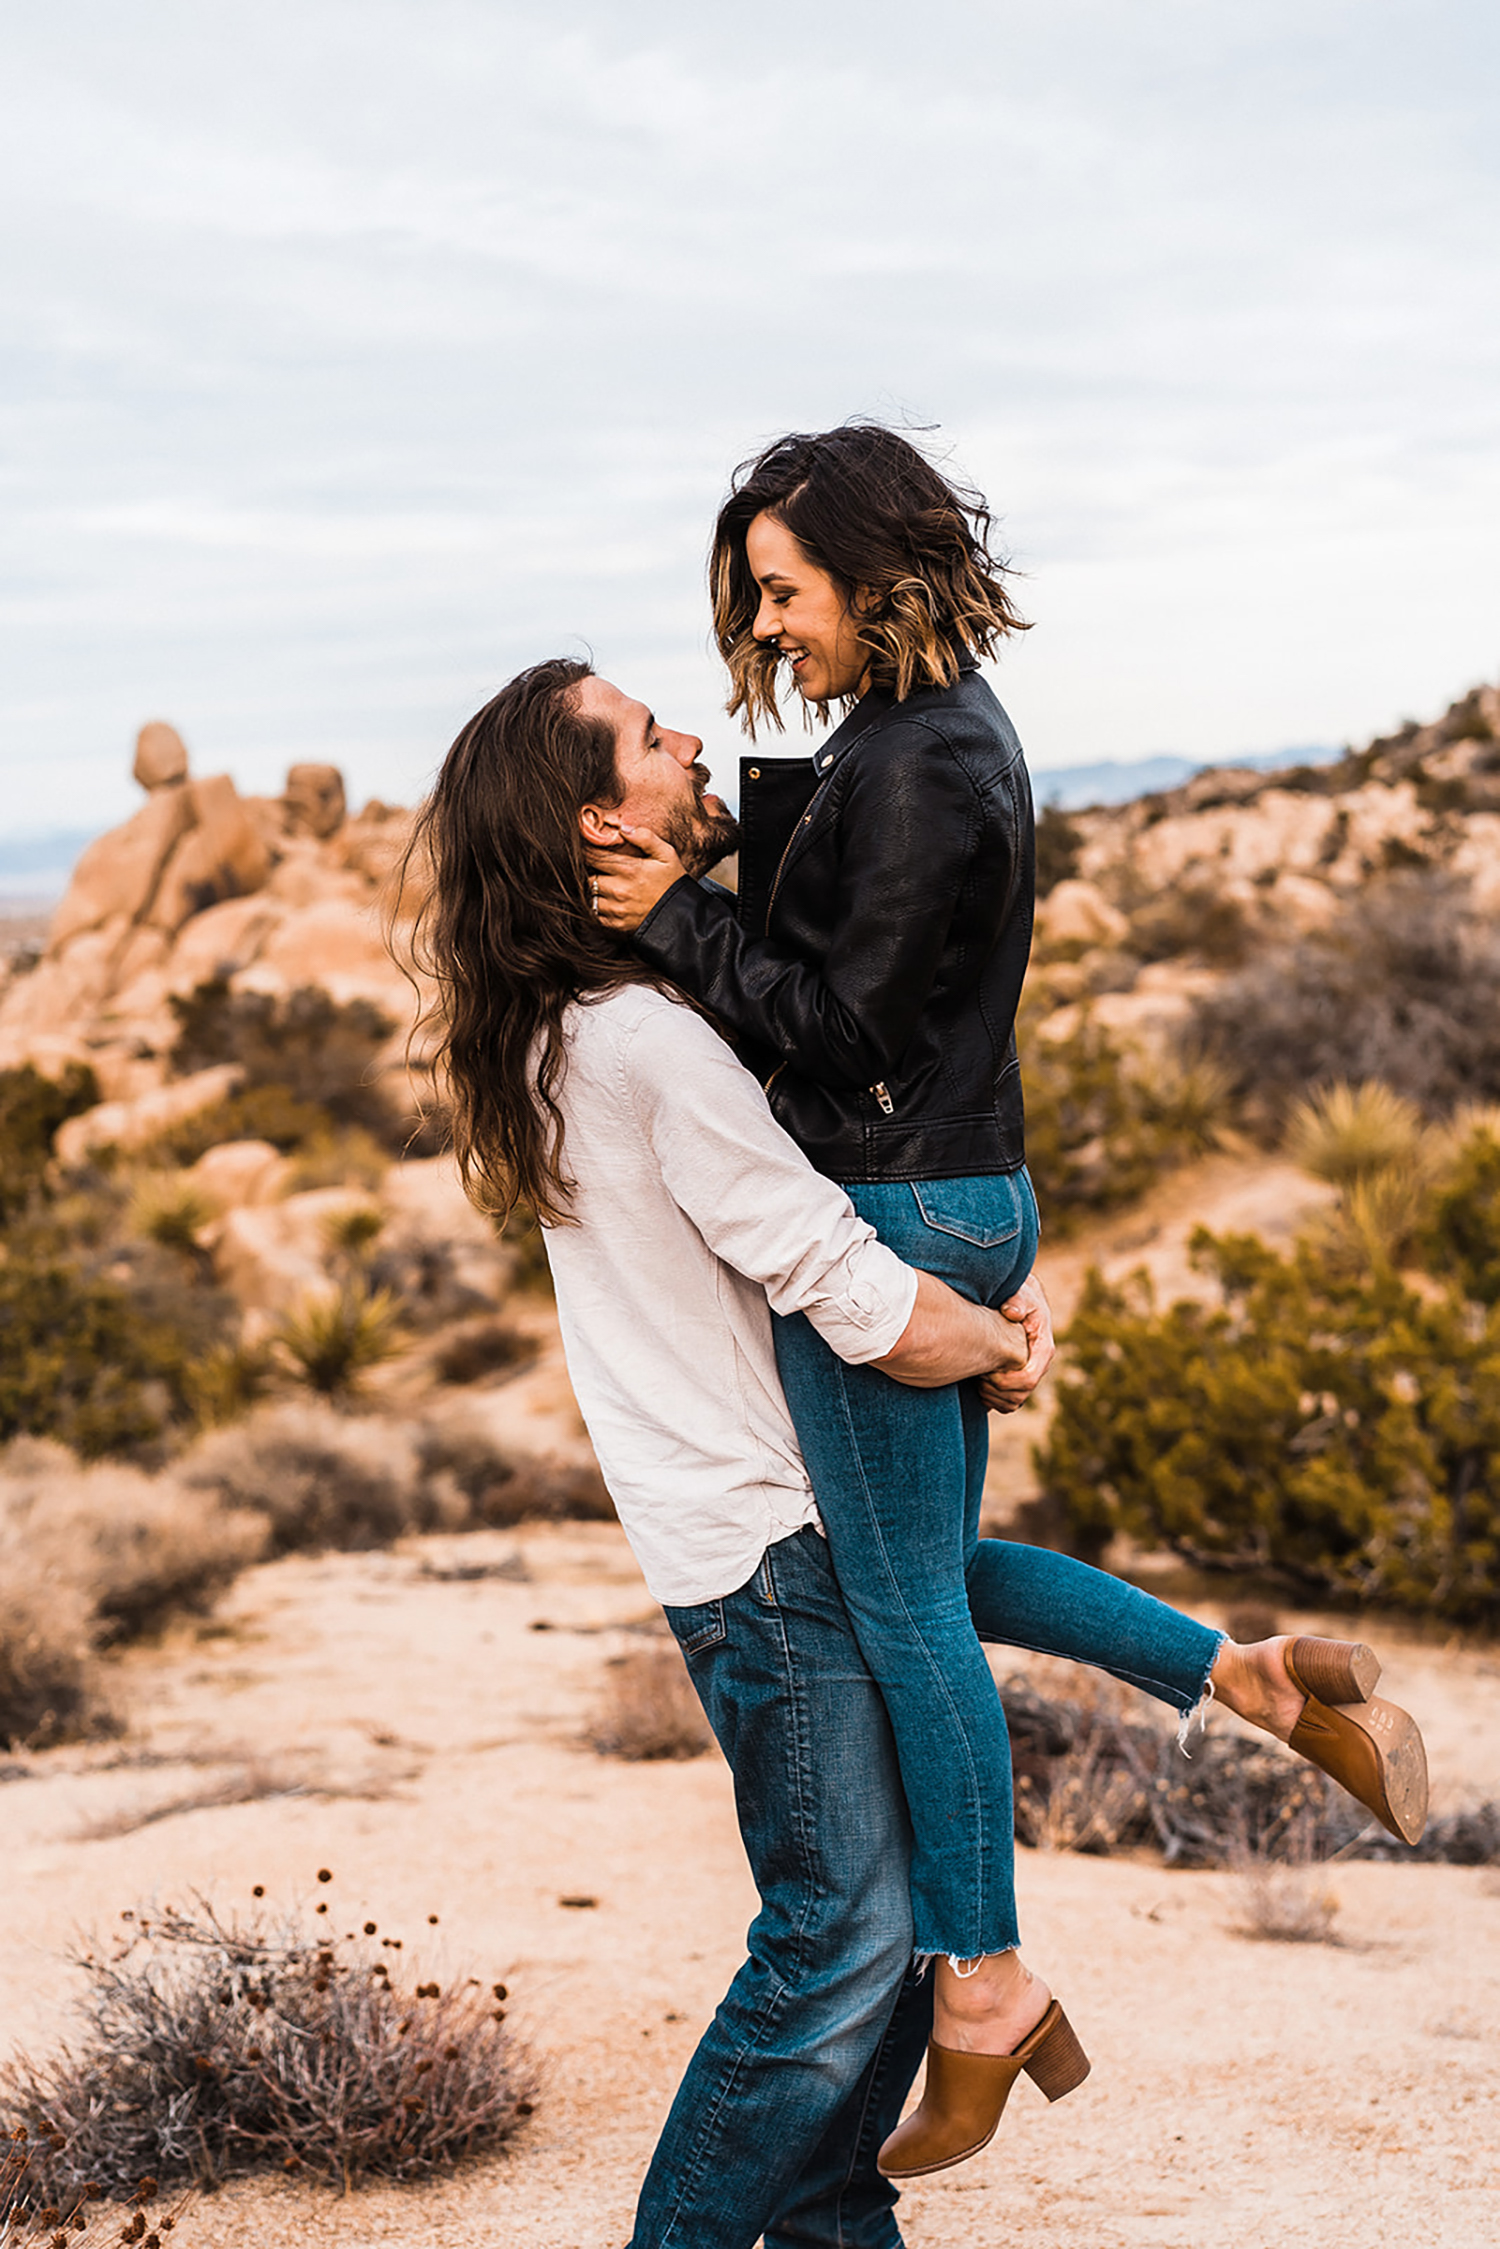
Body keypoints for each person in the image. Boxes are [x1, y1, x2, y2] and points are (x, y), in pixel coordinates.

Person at [408, 653, 1429, 2242]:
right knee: (839, 1932)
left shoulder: (601, 1016)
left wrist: (962, 1294)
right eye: (652, 734)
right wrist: (984, 1330)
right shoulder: (646, 1044)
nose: (696, 736)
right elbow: (830, 1267)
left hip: (769, 1505)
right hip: (759, 1542)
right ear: (594, 819)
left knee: (895, 1795)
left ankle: (1243, 1682)